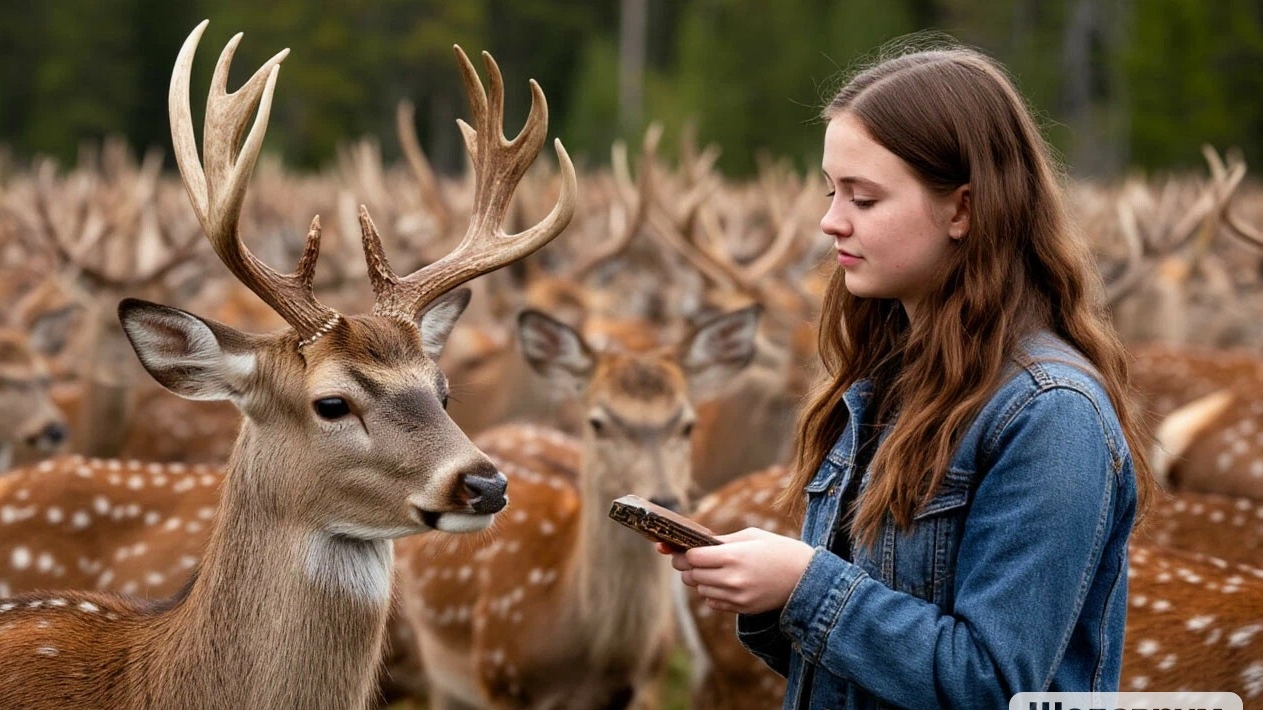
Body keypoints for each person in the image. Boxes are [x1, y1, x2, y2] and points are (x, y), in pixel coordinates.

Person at [662, 39, 1156, 710]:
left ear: (962, 209)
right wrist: (769, 594)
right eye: (831, 191)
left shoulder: (1049, 414)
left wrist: (806, 584)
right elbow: (861, 671)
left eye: (862, 199)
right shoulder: (886, 385)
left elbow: (990, 683)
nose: (828, 220)